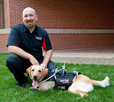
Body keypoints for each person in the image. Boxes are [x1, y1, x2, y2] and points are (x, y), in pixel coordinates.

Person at [6, 7, 57, 88]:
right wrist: (30, 57)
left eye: (31, 15)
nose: (28, 18)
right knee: (11, 59)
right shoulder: (16, 29)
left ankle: (40, 79)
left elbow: (49, 50)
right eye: (26, 16)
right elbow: (11, 48)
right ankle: (22, 80)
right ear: (23, 19)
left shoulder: (42, 32)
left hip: (38, 61)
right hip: (22, 61)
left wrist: (44, 64)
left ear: (36, 17)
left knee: (53, 70)